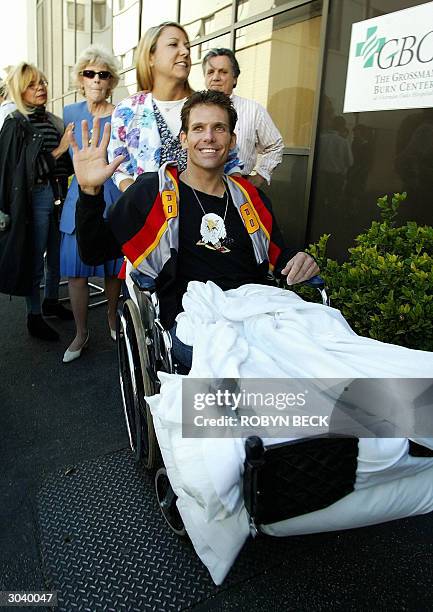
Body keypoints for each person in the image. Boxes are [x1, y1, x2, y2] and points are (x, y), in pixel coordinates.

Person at [75, 90, 318, 367]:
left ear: (232, 140)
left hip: (257, 311)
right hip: (191, 320)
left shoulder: (251, 197)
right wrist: (89, 192)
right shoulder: (152, 192)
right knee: (260, 363)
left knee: (319, 348)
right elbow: (94, 252)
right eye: (198, 128)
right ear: (184, 138)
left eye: (219, 128)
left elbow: (280, 256)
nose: (209, 137)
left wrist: (300, 260)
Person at [108, 22, 240, 194]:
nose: (185, 52)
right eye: (173, 44)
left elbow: (231, 164)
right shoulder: (128, 111)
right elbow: (119, 168)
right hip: (148, 217)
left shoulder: (207, 106)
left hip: (205, 216)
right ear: (150, 57)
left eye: (187, 47)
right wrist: (140, 201)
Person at [0, 62, 73, 341]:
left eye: (42, 82)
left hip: (59, 194)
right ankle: (34, 316)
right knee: (34, 257)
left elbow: (63, 164)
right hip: (37, 196)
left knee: (56, 254)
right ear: (20, 90)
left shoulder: (52, 120)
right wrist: (60, 150)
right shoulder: (16, 123)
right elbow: (21, 171)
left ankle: (51, 301)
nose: (40, 87)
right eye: (32, 84)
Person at [59, 45, 123, 363]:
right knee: (75, 271)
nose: (96, 79)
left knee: (113, 268)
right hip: (78, 199)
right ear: (80, 78)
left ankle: (112, 318)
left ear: (111, 81)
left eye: (103, 74)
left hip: (112, 195)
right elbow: (59, 155)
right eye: (89, 73)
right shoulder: (69, 114)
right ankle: (81, 333)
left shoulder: (123, 114)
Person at [203, 48, 284, 188]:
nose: (216, 77)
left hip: (239, 188)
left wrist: (260, 176)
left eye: (223, 72)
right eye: (210, 72)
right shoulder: (193, 110)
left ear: (234, 78)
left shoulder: (253, 110)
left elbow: (275, 146)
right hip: (199, 187)